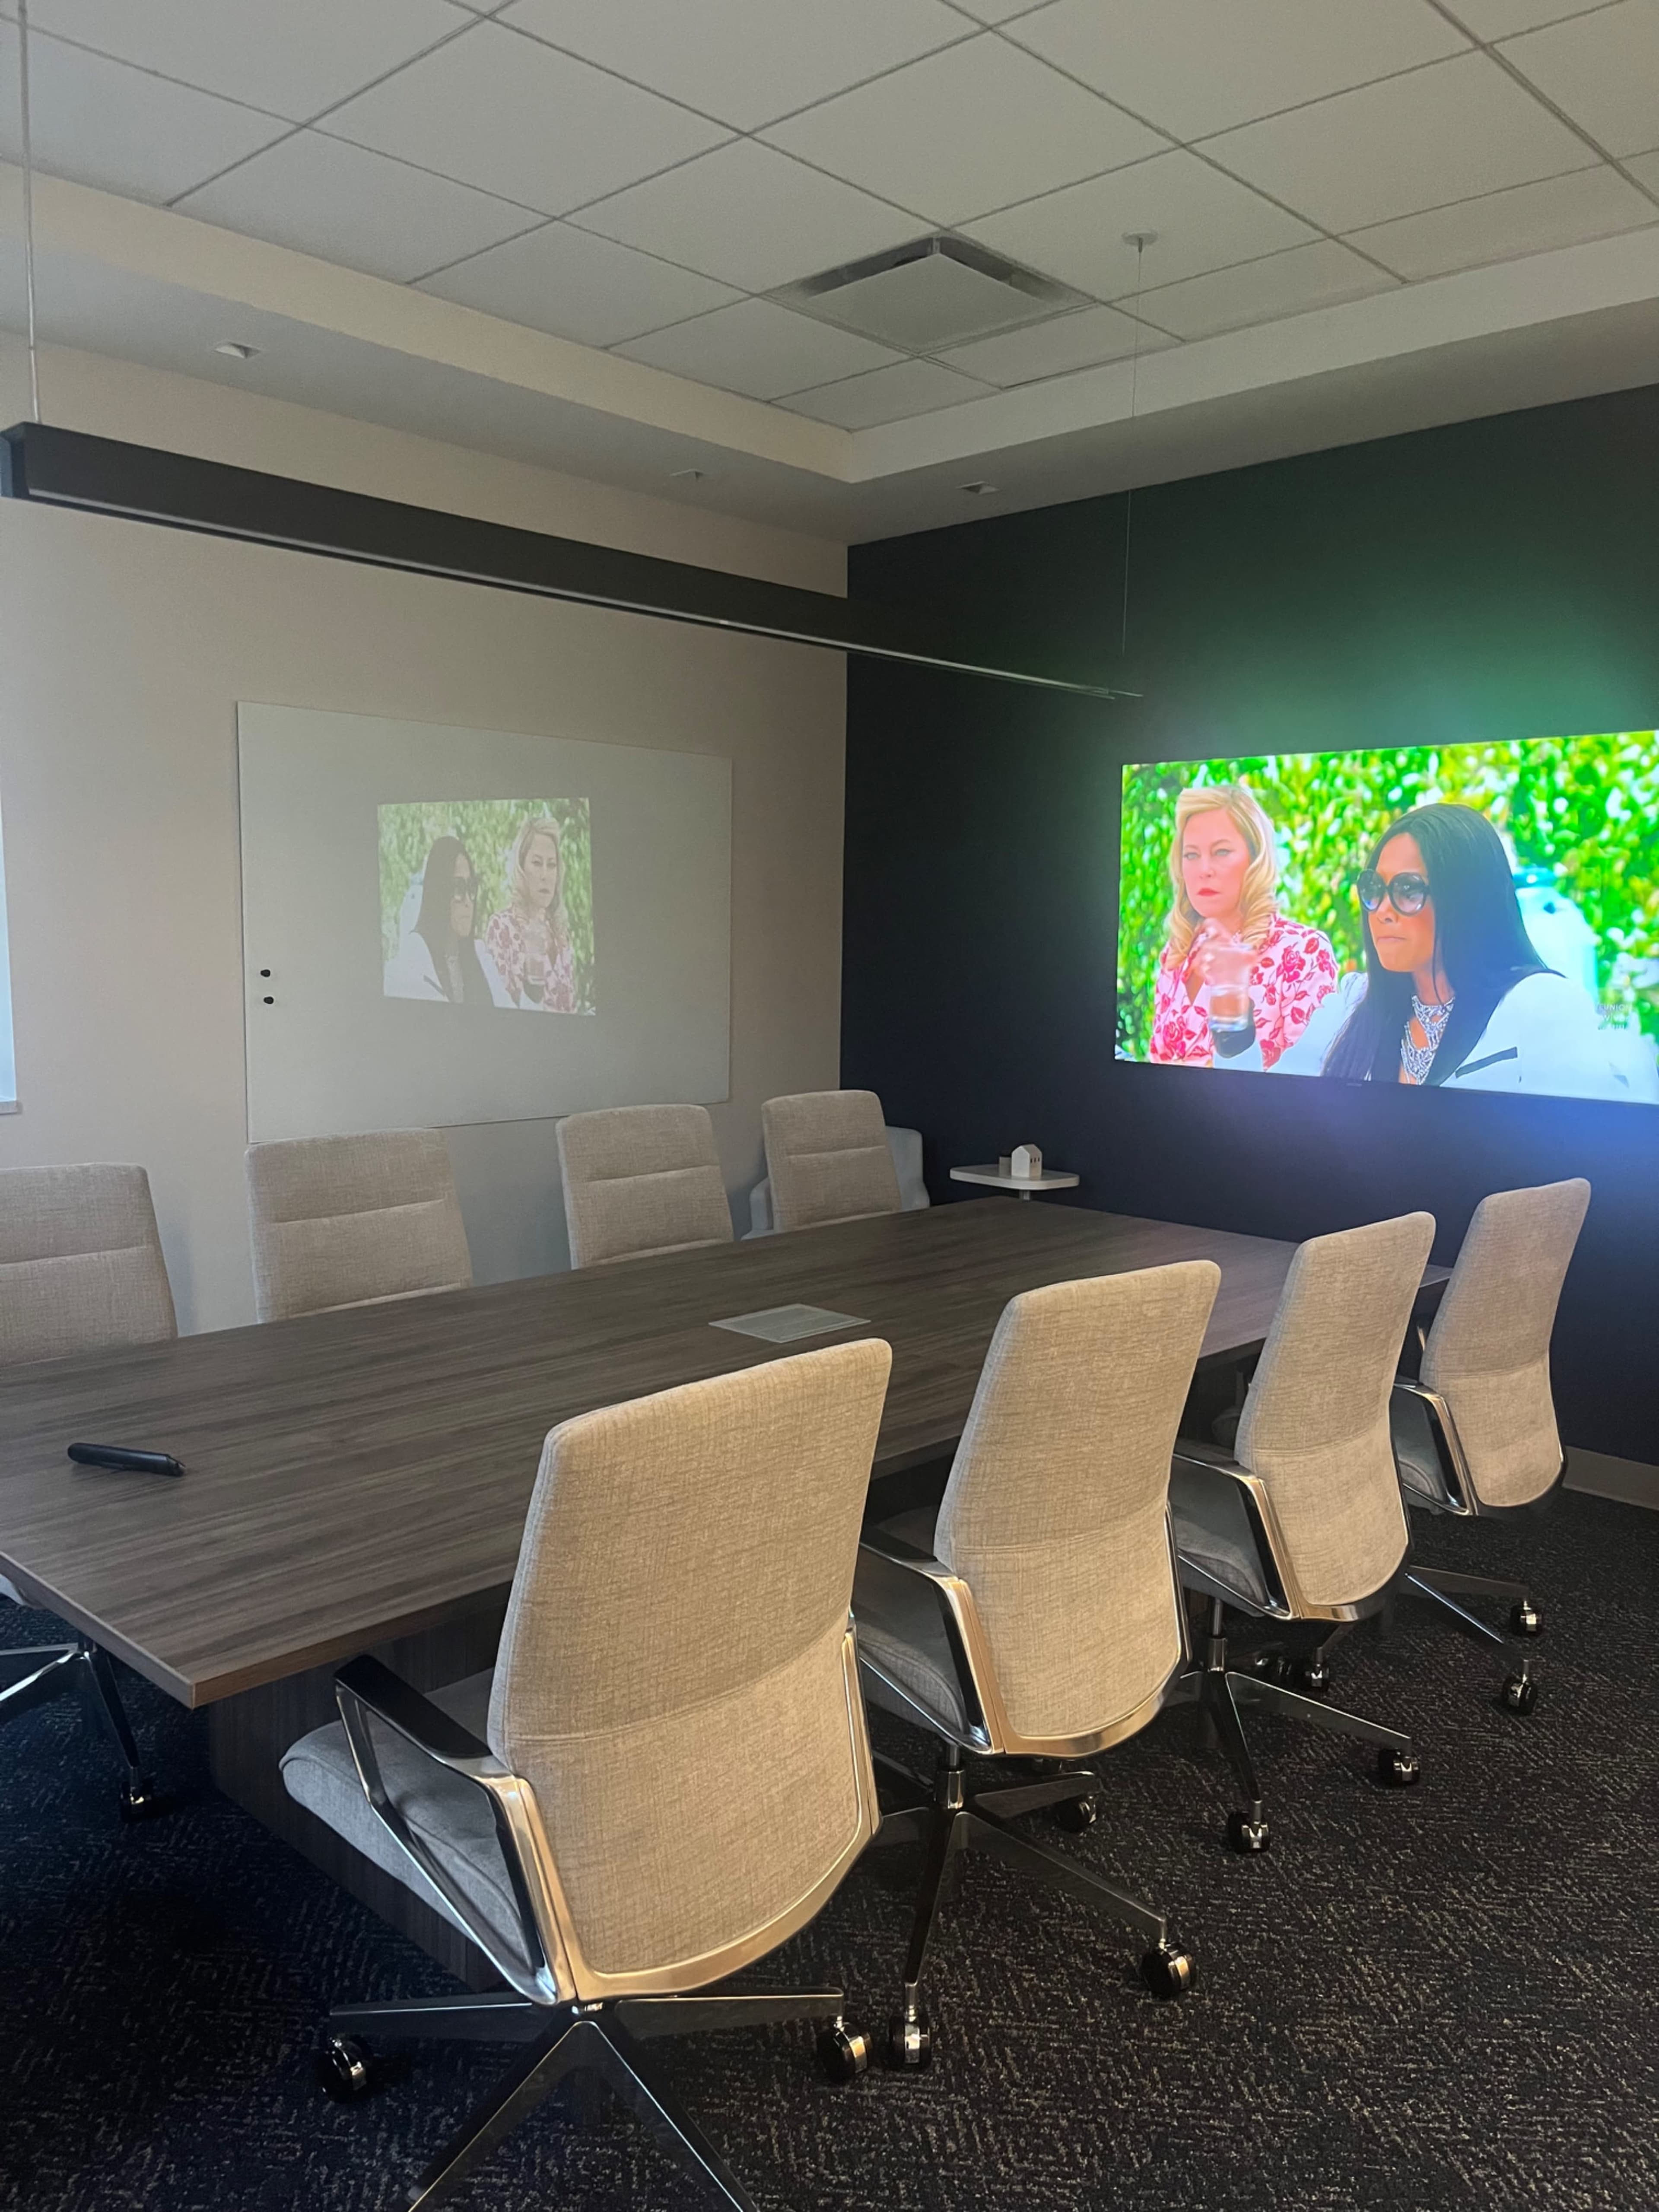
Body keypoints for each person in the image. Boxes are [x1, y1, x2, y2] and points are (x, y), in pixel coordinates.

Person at [1265, 802, 1636, 1097]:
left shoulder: (1543, 1003)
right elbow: (1274, 1112)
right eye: (1375, 888)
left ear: (1465, 899)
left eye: (1408, 890)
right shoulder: (1350, 1002)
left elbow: (1574, 1166)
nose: (1383, 911)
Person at [1149, 781, 1338, 1070]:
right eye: (1191, 855)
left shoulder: (1304, 952)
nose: (1204, 870)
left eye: (1221, 852)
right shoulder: (1176, 954)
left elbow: (1312, 1081)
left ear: (1256, 859)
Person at [383, 835, 507, 1006]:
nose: (468, 901)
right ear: (438, 893)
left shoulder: (481, 957)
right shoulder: (414, 958)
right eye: (458, 888)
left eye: (471, 888)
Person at [484, 815, 578, 1013]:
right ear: (521, 868)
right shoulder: (501, 928)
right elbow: (500, 1010)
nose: (545, 875)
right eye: (537, 863)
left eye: (551, 865)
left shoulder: (561, 934)